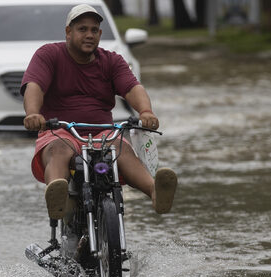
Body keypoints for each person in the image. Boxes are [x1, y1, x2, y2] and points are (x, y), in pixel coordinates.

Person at [21, 4, 178, 220]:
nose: (89, 35)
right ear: (68, 32)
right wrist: (33, 114)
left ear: (100, 34)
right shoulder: (49, 54)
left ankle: (155, 192)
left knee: (121, 148)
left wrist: (146, 111)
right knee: (59, 149)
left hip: (103, 133)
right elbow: (34, 86)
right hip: (61, 132)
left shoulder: (112, 61)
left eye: (94, 30)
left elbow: (133, 88)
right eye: (82, 29)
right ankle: (59, 197)